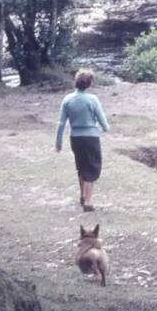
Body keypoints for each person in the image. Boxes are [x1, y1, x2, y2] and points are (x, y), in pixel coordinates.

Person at [55, 68, 110, 212]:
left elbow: (61, 123)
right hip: (91, 137)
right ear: (89, 83)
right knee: (91, 168)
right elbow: (101, 118)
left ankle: (82, 195)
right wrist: (105, 128)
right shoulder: (92, 99)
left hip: (75, 138)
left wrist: (58, 142)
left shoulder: (67, 99)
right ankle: (88, 201)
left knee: (81, 167)